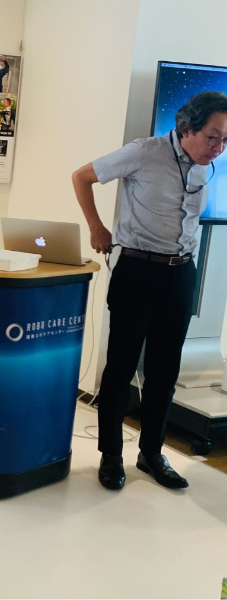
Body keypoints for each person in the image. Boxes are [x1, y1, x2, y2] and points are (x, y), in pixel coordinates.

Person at [71, 90, 227, 492]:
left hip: (180, 274)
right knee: (121, 368)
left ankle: (152, 453)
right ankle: (110, 455)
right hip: (138, 270)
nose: (219, 148)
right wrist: (96, 227)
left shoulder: (204, 166)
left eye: (226, 140)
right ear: (186, 128)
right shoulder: (145, 152)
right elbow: (82, 176)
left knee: (164, 371)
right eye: (213, 137)